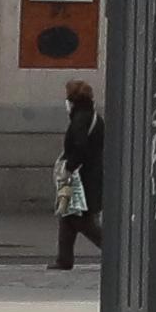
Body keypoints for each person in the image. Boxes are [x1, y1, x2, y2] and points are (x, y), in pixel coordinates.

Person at [52, 81, 103, 272]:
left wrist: (69, 166)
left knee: (81, 219)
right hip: (90, 174)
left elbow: (80, 147)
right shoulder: (95, 118)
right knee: (67, 214)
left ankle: (113, 250)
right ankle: (64, 259)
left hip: (80, 176)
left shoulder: (80, 119)